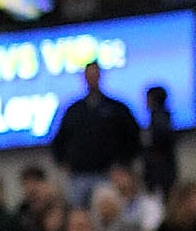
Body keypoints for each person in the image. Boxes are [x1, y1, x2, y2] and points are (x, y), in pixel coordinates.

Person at [50, 60, 140, 193]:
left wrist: (123, 164)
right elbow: (59, 139)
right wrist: (64, 163)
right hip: (80, 175)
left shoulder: (116, 108)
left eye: (95, 74)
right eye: (89, 75)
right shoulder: (74, 110)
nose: (92, 78)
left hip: (110, 174)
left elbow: (133, 137)